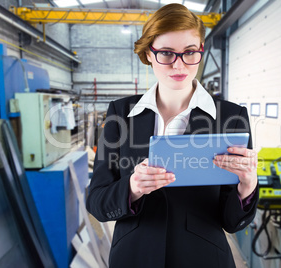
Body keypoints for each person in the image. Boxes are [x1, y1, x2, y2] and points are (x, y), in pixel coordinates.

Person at [86, 3, 259, 268]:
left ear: (200, 51)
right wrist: (132, 188)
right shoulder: (120, 113)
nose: (179, 64)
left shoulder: (231, 117)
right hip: (134, 257)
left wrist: (247, 188)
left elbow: (231, 221)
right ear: (148, 54)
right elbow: (97, 201)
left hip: (204, 259)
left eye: (190, 52)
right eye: (166, 53)